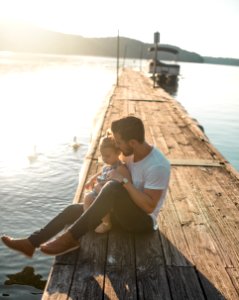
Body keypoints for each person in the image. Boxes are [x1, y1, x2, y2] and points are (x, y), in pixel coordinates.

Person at [1, 116, 170, 257]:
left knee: (113, 187)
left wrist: (123, 182)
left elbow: (149, 207)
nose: (117, 146)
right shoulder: (129, 154)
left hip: (141, 223)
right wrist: (96, 176)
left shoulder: (157, 165)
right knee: (72, 210)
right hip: (121, 212)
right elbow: (114, 168)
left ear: (132, 142)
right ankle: (31, 243)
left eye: (119, 142)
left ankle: (70, 238)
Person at [83, 133, 131, 233]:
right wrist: (92, 179)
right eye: (102, 155)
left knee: (100, 195)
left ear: (118, 152)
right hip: (98, 191)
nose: (104, 158)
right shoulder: (108, 165)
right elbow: (101, 172)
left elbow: (128, 183)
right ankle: (88, 220)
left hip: (110, 197)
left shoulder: (120, 168)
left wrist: (100, 186)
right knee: (87, 198)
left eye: (107, 156)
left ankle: (106, 223)